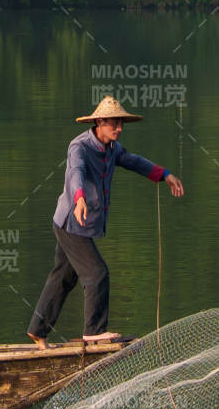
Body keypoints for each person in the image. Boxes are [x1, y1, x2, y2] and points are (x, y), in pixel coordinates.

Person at [28, 95, 184, 347]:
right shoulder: (79, 147)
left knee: (64, 277)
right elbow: (76, 172)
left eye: (121, 124)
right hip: (70, 222)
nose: (119, 129)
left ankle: (38, 330)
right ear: (99, 121)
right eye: (114, 124)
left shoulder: (113, 149)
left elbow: (134, 161)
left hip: (82, 224)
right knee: (97, 273)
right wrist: (79, 199)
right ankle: (94, 331)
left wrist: (164, 175)